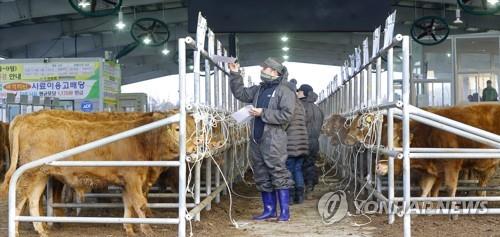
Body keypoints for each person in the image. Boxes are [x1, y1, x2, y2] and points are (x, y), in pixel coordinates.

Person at [228, 57, 295, 221]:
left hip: (274, 139)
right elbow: (241, 93)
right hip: (257, 138)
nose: (261, 71)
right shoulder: (259, 89)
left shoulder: (284, 91)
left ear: (274, 71)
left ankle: (284, 212)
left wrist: (263, 113)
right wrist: (235, 74)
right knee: (261, 173)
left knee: (278, 172)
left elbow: (286, 115)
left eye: (264, 68)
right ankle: (269, 210)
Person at [297, 84, 324, 200]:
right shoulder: (318, 109)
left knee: (299, 165)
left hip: (302, 140)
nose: (297, 93)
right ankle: (310, 188)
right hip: (314, 142)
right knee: (310, 164)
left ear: (303, 92)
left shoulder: (299, 106)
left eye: (298, 91)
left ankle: (300, 191)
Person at [285, 79, 309, 205]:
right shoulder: (300, 104)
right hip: (302, 143)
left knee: (289, 169)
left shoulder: (288, 104)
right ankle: (300, 196)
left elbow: (284, 123)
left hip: (291, 143)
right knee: (298, 169)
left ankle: (290, 196)